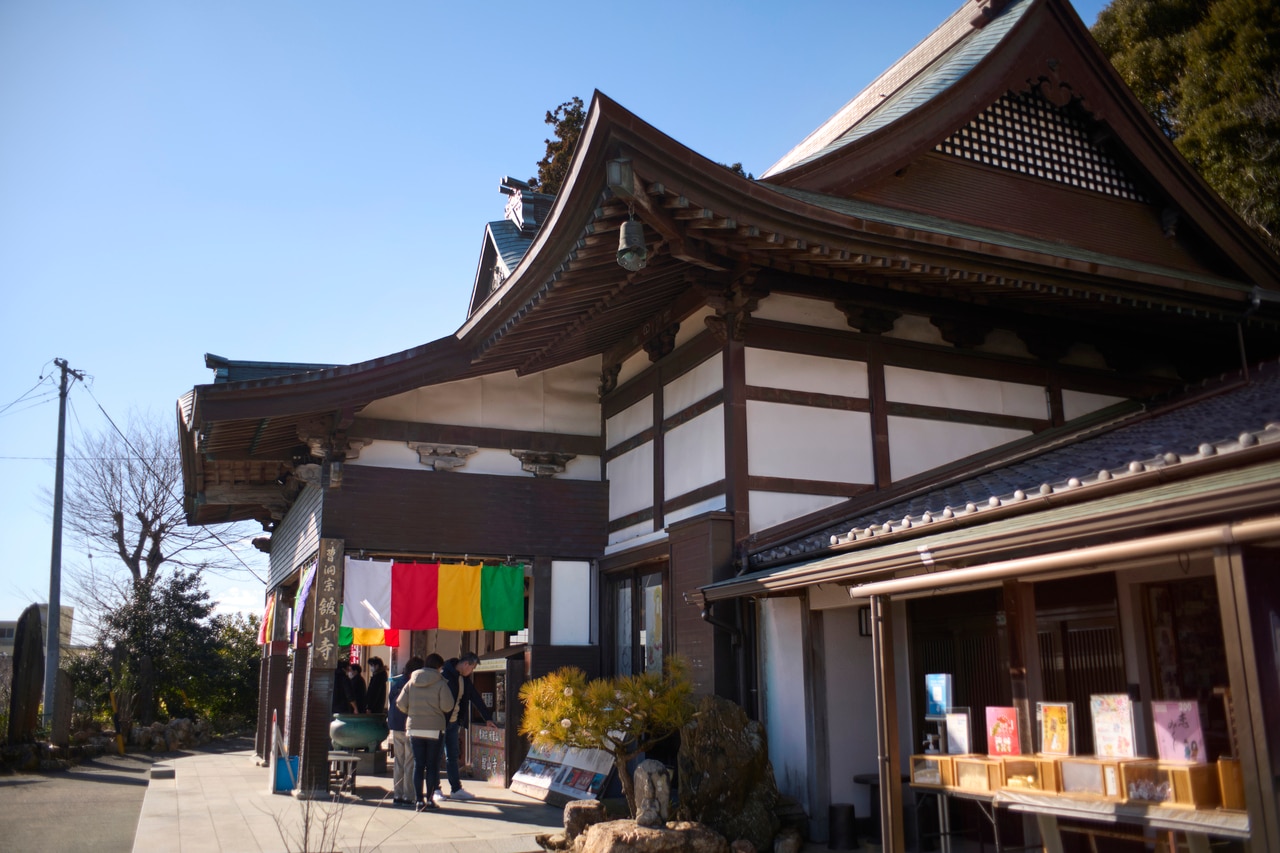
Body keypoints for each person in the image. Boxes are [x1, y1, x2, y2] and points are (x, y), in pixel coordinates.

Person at [435, 652, 498, 802]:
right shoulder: (444, 675)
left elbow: (475, 696)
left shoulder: (464, 679)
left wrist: (487, 718)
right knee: (436, 757)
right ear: (466, 664)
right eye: (472, 668)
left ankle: (456, 789)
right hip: (439, 722)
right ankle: (435, 789)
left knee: (452, 756)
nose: (472, 671)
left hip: (453, 723)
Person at [395, 652, 453, 811]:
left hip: (414, 728)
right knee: (432, 765)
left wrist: (412, 712)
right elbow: (447, 706)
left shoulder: (411, 682)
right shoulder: (441, 683)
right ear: (438, 667)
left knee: (418, 765)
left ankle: (418, 800)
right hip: (434, 729)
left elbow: (400, 703)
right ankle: (429, 799)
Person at [386, 656, 423, 806]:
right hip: (409, 725)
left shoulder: (397, 682)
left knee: (398, 762)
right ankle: (409, 795)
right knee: (409, 762)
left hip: (395, 725)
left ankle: (397, 794)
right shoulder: (414, 683)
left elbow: (391, 701)